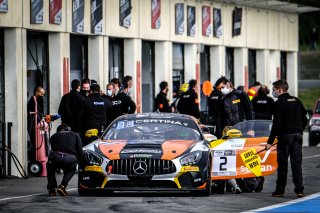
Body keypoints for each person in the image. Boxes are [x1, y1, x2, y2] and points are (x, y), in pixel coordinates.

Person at [265, 80, 308, 198]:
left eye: (274, 90)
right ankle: (299, 190)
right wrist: (300, 129)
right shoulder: (297, 101)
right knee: (297, 164)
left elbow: (276, 124)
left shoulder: (279, 103)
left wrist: (270, 142)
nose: (273, 92)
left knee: (283, 164)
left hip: (284, 138)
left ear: (280, 90)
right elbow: (306, 118)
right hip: (298, 136)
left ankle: (280, 190)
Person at [215, 76, 255, 194]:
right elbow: (221, 118)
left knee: (247, 156)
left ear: (228, 84)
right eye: (219, 89)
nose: (221, 89)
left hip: (244, 131)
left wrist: (250, 128)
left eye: (222, 87)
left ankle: (252, 182)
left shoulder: (241, 94)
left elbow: (250, 111)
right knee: (232, 158)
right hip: (229, 133)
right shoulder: (222, 100)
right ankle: (235, 184)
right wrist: (220, 134)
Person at [46, 124, 84, 196]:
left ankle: (51, 190)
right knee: (71, 169)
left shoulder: (54, 136)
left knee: (50, 168)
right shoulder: (75, 135)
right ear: (68, 129)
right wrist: (80, 159)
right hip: (70, 158)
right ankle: (62, 186)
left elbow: (51, 149)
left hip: (56, 157)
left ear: (58, 131)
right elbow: (80, 151)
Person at [27, 86, 46, 162]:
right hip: (32, 125)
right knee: (34, 142)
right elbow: (28, 113)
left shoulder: (37, 101)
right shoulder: (32, 101)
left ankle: (38, 158)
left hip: (37, 125)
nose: (42, 95)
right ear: (36, 92)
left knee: (39, 141)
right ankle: (33, 160)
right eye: (41, 94)